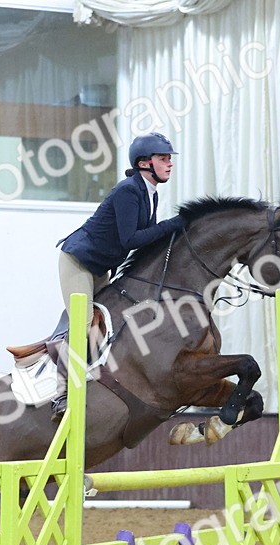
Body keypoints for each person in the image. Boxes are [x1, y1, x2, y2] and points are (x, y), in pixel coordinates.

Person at [50, 132, 186, 421]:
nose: (169, 163)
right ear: (144, 163)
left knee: (114, 320)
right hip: (79, 262)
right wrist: (172, 225)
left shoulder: (150, 193)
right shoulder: (129, 191)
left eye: (169, 159)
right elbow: (131, 239)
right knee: (85, 324)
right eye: (163, 159)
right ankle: (61, 392)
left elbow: (148, 239)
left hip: (101, 267)